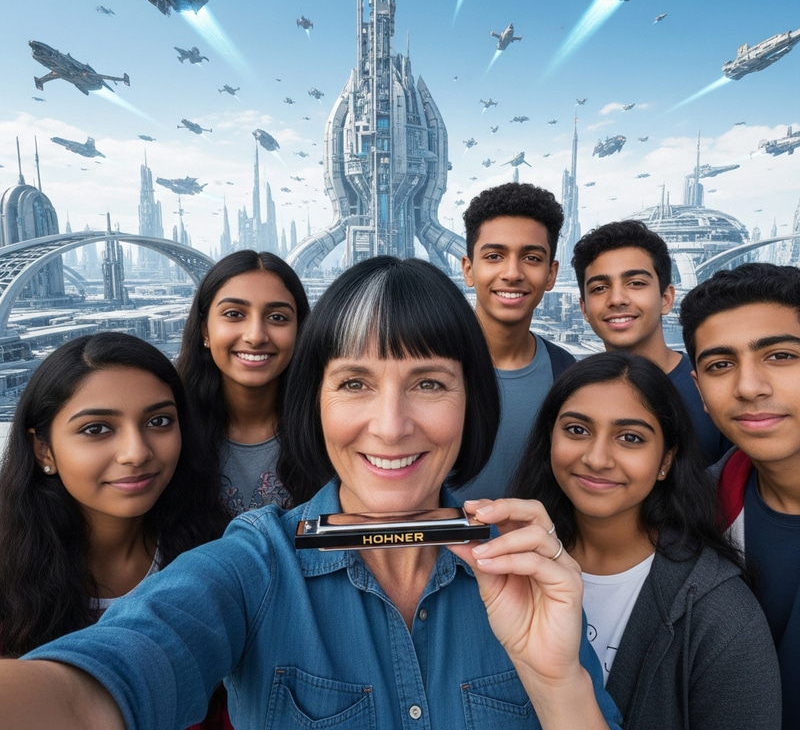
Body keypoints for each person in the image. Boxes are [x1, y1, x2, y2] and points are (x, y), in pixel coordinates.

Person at [3, 257, 622, 730]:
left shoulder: (523, 570)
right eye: (354, 383)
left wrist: (557, 680)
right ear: (315, 404)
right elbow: (98, 685)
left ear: (472, 403)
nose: (390, 424)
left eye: (429, 383)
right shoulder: (256, 564)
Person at [510, 351, 780, 730]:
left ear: (666, 460)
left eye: (630, 438)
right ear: (548, 437)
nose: (597, 458)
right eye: (576, 430)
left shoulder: (720, 614)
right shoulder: (504, 569)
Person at [0, 333, 229, 728]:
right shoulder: (7, 573)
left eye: (159, 421)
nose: (136, 452)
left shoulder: (218, 555)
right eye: (96, 429)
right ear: (43, 450)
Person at [680, 262, 800, 730]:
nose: (749, 387)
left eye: (781, 356)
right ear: (700, 392)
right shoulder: (686, 520)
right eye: (720, 365)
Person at [572, 219, 731, 466]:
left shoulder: (710, 383)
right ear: (584, 309)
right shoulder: (574, 389)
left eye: (635, 283)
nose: (617, 299)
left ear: (666, 299)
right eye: (600, 287)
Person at [456, 182, 575, 501]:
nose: (512, 273)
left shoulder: (567, 375)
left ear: (551, 275)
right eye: (494, 256)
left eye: (531, 258)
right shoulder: (428, 365)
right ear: (469, 269)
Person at [176, 250, 310, 515]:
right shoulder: (171, 428)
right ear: (205, 330)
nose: (255, 336)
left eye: (277, 318)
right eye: (234, 314)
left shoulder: (325, 430)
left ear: (300, 331)